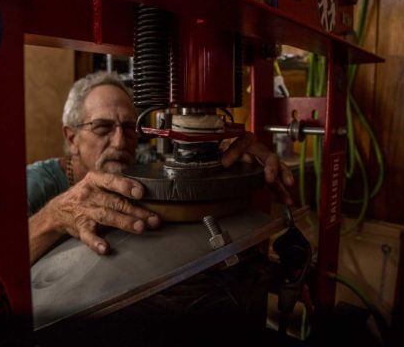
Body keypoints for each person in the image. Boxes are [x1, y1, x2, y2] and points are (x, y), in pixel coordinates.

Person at [27, 71, 294, 265]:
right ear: (71, 137)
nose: (120, 141)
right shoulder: (36, 183)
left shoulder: (140, 173)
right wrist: (53, 218)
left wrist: (223, 163)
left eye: (130, 128)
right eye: (102, 127)